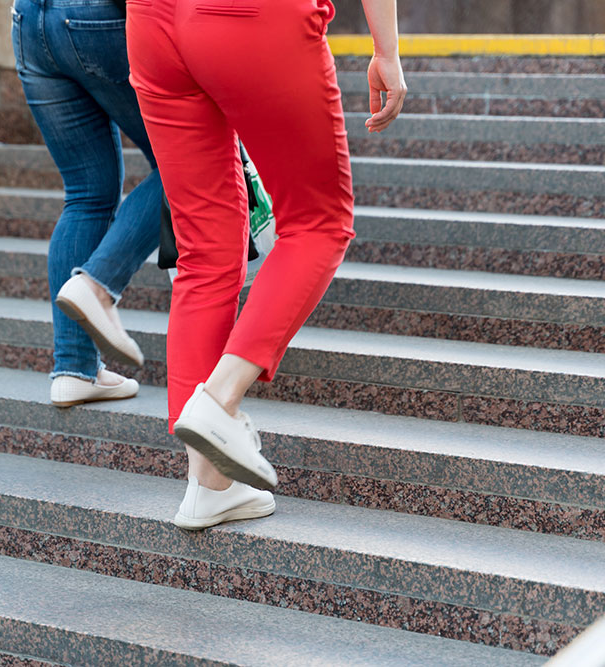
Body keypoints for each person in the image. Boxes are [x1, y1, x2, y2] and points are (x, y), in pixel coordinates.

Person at [126, 0, 406, 529]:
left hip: (151, 22)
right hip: (249, 16)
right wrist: (386, 50)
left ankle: (209, 486)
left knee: (203, 252)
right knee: (319, 223)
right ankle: (220, 399)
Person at [11, 0, 162, 407]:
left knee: (86, 194)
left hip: (29, 21)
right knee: (189, 161)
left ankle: (74, 368)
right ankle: (97, 285)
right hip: (99, 17)